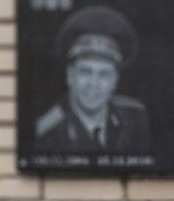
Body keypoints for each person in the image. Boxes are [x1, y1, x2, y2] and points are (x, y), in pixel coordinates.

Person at [32, 5, 151, 154]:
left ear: (115, 81)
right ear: (69, 76)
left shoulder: (135, 118)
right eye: (85, 72)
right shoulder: (48, 132)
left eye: (104, 74)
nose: (93, 84)